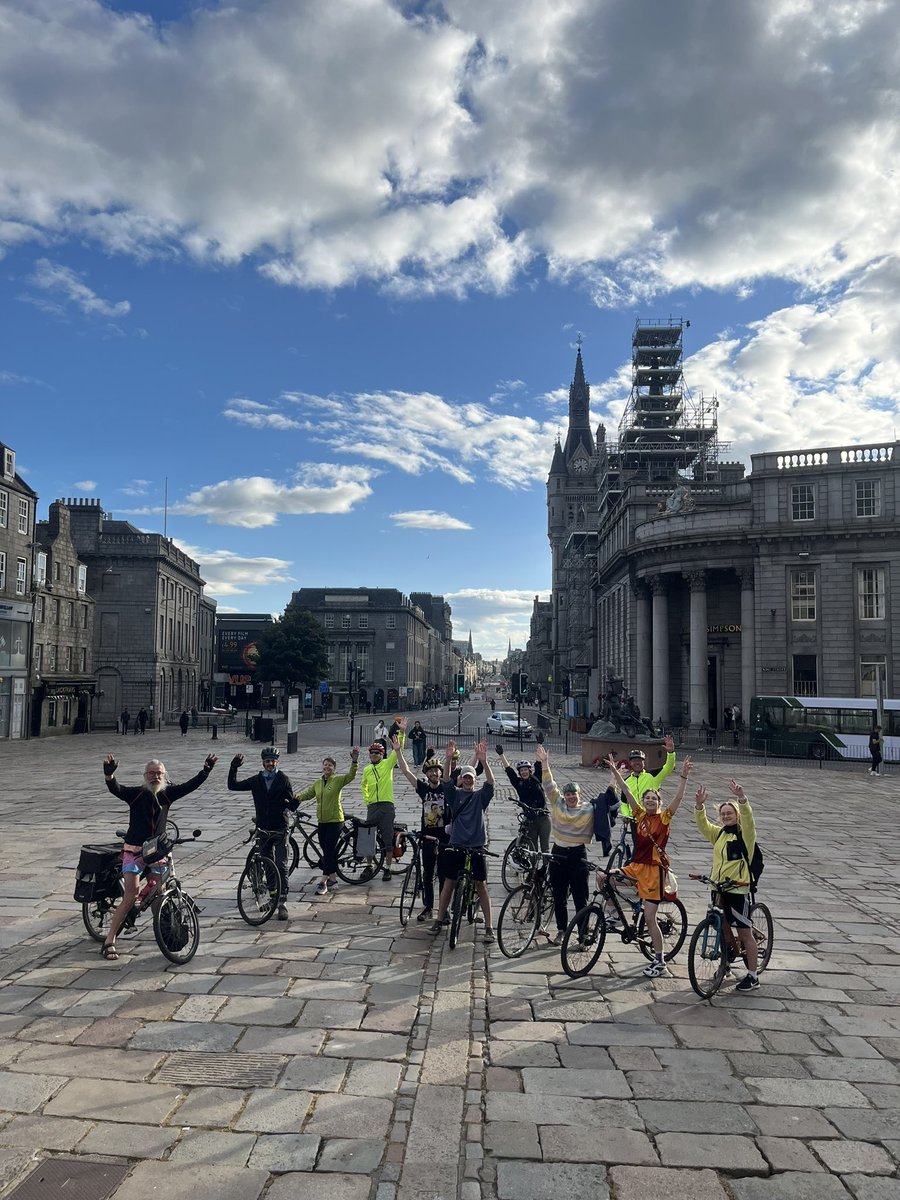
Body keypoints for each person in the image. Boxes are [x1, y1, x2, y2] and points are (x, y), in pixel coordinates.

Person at [99, 752, 218, 960]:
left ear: (164, 776)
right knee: (130, 895)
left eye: (159, 774)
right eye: (152, 773)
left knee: (159, 894)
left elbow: (190, 786)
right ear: (145, 776)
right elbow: (117, 789)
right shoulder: (137, 794)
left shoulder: (166, 795)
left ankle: (164, 934)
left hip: (157, 854)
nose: (155, 777)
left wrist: (206, 770)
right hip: (134, 852)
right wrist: (109, 776)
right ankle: (109, 940)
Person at [602, 755, 692, 977]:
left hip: (653, 871)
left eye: (654, 798)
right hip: (636, 866)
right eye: (647, 798)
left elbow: (679, 798)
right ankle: (614, 913)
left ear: (659, 803)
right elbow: (627, 791)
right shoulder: (639, 814)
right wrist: (614, 771)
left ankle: (660, 961)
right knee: (604, 878)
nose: (650, 801)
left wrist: (684, 776)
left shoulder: (664, 819)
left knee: (650, 918)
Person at [695, 779, 760, 992]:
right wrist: (699, 807)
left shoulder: (745, 835)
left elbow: (749, 819)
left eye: (729, 813)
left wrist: (742, 799)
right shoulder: (720, 833)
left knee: (744, 932)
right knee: (720, 925)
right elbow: (703, 826)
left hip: (738, 889)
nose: (725, 816)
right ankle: (728, 959)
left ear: (737, 815)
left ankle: (752, 976)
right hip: (718, 888)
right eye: (722, 814)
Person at [430, 739, 495, 944]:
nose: (467, 780)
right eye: (465, 777)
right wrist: (448, 759)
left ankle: (489, 927)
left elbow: (491, 783)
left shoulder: (480, 797)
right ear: (462, 779)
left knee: (481, 885)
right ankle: (439, 920)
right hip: (456, 843)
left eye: (471, 777)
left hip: (476, 845)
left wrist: (484, 762)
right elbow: (447, 780)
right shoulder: (455, 795)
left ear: (475, 779)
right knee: (448, 883)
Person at [228, 748, 297, 920]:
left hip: (280, 828)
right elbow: (232, 785)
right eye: (267, 761)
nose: (270, 763)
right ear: (263, 762)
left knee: (281, 865)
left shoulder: (283, 779)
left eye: (273, 761)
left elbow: (291, 805)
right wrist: (233, 767)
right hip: (263, 829)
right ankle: (273, 896)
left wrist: (294, 803)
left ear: (277, 762)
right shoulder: (256, 780)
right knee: (267, 864)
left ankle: (282, 903)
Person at [394, 744, 450, 922]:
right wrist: (397, 751)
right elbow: (406, 771)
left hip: (444, 839)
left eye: (436, 771)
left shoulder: (446, 789)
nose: (433, 774)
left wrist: (449, 758)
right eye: (430, 771)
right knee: (427, 874)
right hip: (427, 837)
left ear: (440, 773)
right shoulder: (424, 789)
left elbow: (465, 775)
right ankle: (428, 907)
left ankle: (444, 909)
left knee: (443, 875)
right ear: (426, 775)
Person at [295, 749, 359, 895]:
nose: (327, 767)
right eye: (325, 765)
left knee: (329, 849)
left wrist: (354, 761)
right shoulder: (318, 783)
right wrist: (297, 797)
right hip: (322, 821)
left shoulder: (337, 780)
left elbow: (351, 776)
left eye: (330, 765)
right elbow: (308, 794)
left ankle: (323, 882)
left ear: (334, 768)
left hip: (335, 820)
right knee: (326, 850)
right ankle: (333, 879)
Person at [362, 718, 405, 880]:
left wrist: (402, 733)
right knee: (368, 837)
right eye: (371, 753)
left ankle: (387, 868)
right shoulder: (366, 769)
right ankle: (369, 865)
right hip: (373, 806)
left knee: (387, 838)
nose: (373, 755)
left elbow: (397, 749)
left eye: (377, 753)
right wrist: (367, 800)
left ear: (382, 755)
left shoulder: (387, 764)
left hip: (387, 806)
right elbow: (363, 786)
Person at [497, 746, 550, 856]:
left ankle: (545, 870)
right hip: (531, 819)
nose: (524, 772)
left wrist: (539, 744)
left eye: (526, 769)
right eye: (521, 770)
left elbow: (538, 764)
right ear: (520, 772)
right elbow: (509, 771)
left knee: (545, 848)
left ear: (529, 770)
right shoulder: (518, 783)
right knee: (533, 848)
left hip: (543, 817)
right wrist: (501, 755)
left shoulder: (536, 779)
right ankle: (533, 872)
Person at [621, 737, 676, 817]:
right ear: (630, 763)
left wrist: (670, 753)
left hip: (652, 817)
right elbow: (624, 802)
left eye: (640, 761)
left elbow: (668, 767)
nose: (637, 763)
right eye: (634, 761)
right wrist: (626, 815)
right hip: (634, 818)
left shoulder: (653, 776)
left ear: (644, 762)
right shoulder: (626, 781)